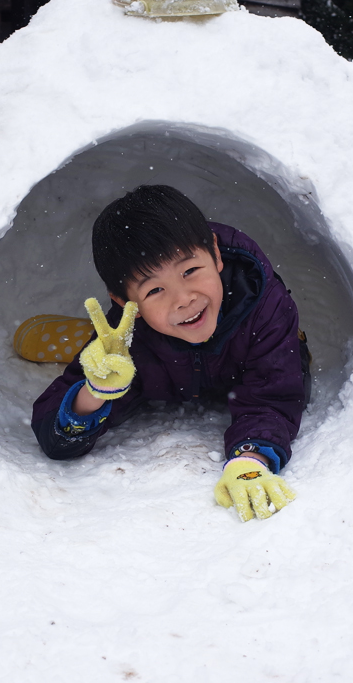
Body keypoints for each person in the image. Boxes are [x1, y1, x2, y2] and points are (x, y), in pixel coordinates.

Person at [30, 185, 311, 521]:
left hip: (242, 361)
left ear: (216, 255)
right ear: (125, 302)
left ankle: (86, 331)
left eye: (190, 271)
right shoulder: (128, 341)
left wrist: (249, 460)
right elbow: (53, 437)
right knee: (104, 359)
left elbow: (273, 395)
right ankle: (85, 341)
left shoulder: (264, 304)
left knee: (295, 364)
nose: (183, 298)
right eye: (155, 290)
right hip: (163, 358)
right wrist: (94, 391)